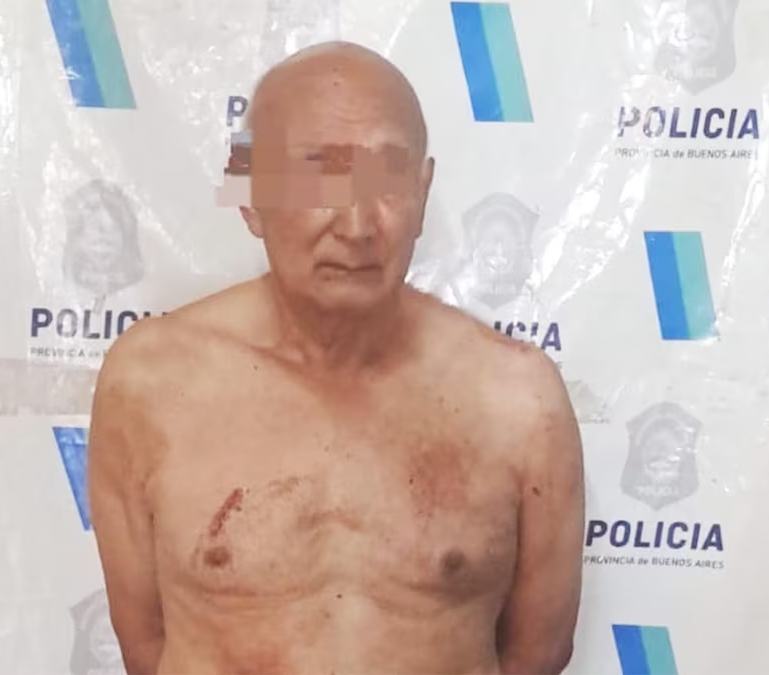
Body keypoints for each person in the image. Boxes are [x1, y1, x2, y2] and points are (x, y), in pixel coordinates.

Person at [87, 41, 584, 675]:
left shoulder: (515, 397)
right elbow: (145, 645)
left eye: (388, 178)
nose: (357, 225)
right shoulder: (152, 383)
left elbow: (537, 653)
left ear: (423, 192)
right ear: (249, 193)